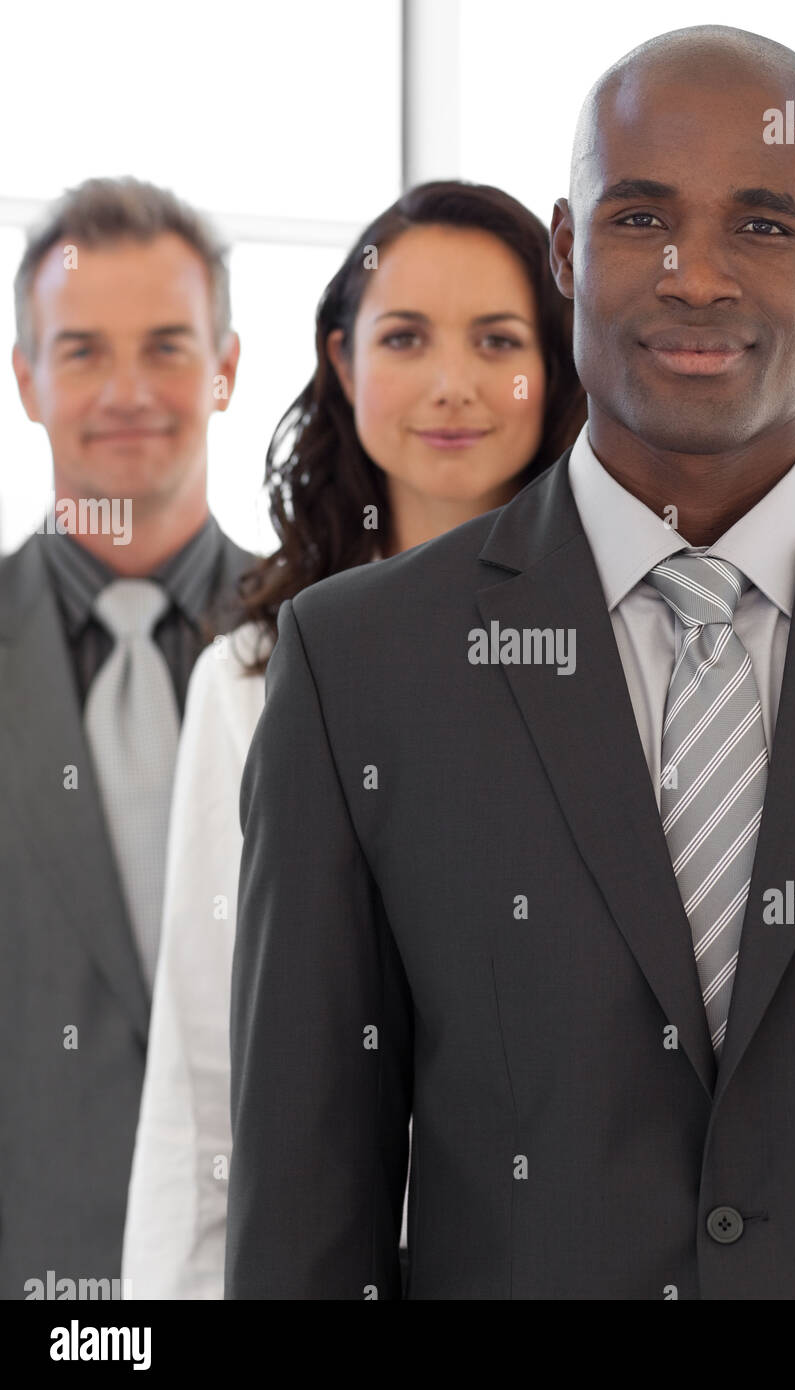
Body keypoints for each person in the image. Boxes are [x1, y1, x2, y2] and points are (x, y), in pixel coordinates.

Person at [226, 25, 795, 1300]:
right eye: (643, 217)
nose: (698, 277)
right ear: (565, 249)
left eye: (764, 226)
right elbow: (301, 1218)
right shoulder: (360, 668)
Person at [121, 180, 585, 1298]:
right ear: (342, 361)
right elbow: (203, 1072)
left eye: (499, 340)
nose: (453, 384)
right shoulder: (252, 674)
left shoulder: (630, 642)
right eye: (406, 337)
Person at [0, 177, 254, 1299]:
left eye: (166, 346)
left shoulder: (334, 650)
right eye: (83, 351)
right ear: (25, 379)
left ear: (227, 368)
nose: (129, 391)